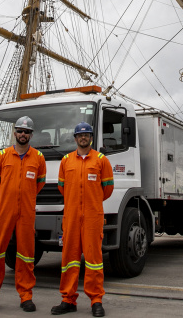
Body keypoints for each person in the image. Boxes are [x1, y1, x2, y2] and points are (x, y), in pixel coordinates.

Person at [0, 116, 46, 313]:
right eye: (20, 131)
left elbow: (39, 184)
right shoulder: (2, 156)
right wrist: (9, 197)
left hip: (26, 212)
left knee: (27, 254)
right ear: (15, 132)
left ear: (31, 135)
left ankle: (26, 296)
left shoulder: (38, 158)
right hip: (4, 211)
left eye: (26, 132)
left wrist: (24, 197)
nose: (23, 134)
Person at [52, 122, 114, 317]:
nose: (83, 137)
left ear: (91, 137)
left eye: (86, 134)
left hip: (93, 218)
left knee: (94, 260)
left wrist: (91, 202)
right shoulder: (66, 161)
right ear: (75, 138)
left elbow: (107, 189)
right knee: (69, 259)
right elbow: (62, 187)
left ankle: (96, 301)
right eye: (80, 135)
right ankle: (68, 300)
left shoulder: (101, 160)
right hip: (71, 217)